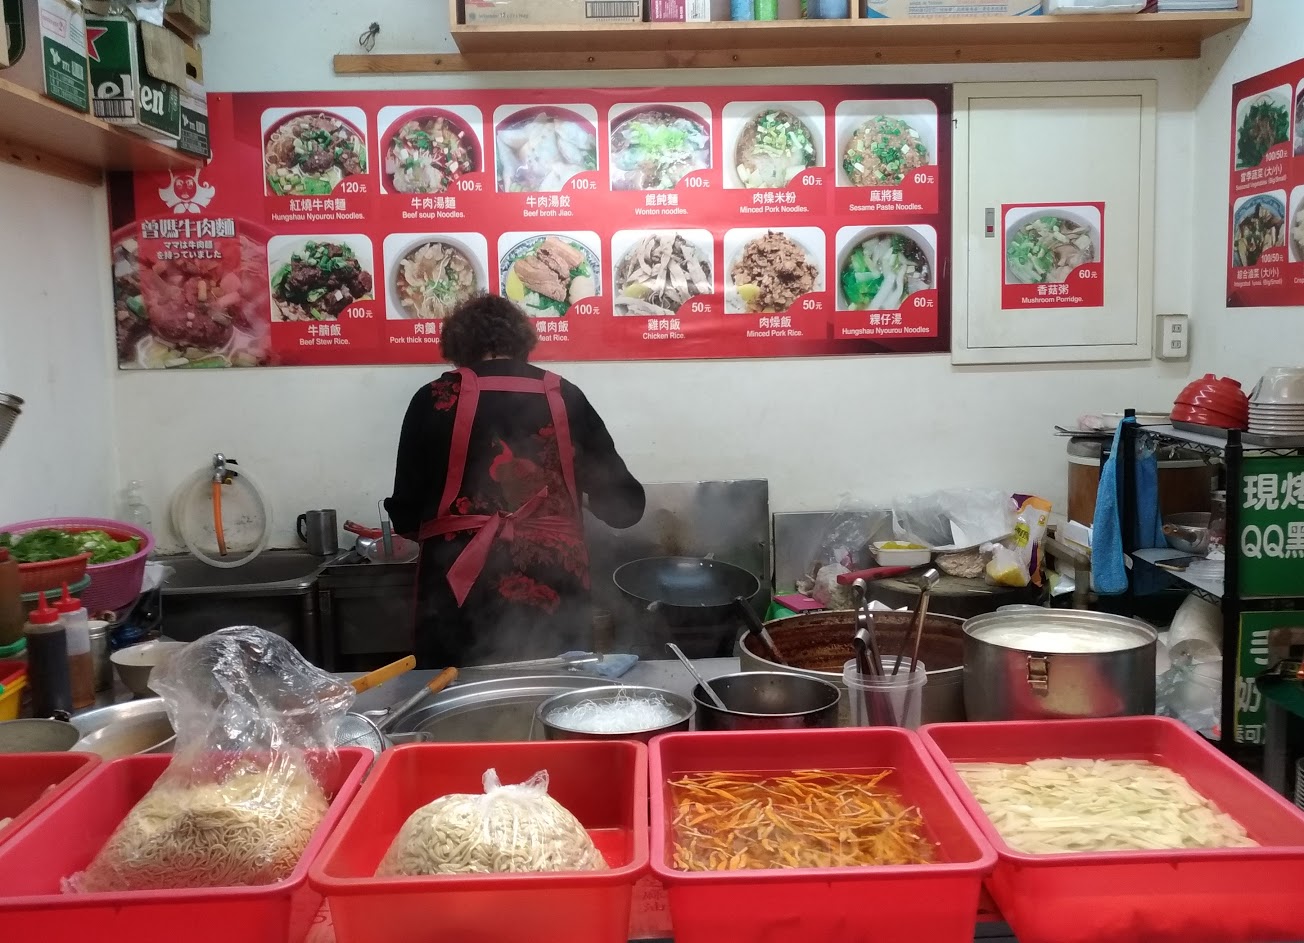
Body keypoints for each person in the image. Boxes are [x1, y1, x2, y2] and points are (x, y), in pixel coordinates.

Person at [386, 295, 646, 668]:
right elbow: (626, 508)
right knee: (553, 693)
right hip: (556, 594)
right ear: (522, 343)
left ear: (459, 348)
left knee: (457, 697)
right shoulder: (566, 397)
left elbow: (407, 517)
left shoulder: (434, 399)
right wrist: (578, 497)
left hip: (459, 594)